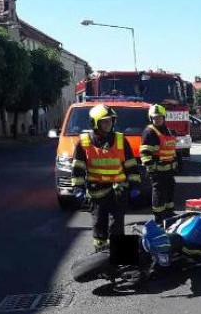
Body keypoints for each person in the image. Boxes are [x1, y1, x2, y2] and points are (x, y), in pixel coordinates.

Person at [71, 104, 141, 252]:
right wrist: (78, 188)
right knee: (99, 228)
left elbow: (131, 166)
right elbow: (78, 168)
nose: (108, 124)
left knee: (117, 227)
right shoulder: (84, 142)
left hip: (118, 191)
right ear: (95, 123)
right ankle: (100, 261)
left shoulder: (121, 140)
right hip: (97, 193)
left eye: (110, 121)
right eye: (104, 121)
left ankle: (123, 262)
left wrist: (134, 185)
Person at [140, 104, 178, 224]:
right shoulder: (149, 132)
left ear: (164, 117)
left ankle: (169, 212)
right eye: (155, 118)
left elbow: (172, 149)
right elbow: (145, 152)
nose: (158, 120)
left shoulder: (168, 130)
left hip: (169, 169)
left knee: (169, 191)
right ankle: (159, 217)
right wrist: (150, 167)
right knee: (159, 193)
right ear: (151, 118)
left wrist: (177, 162)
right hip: (157, 170)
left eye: (160, 117)